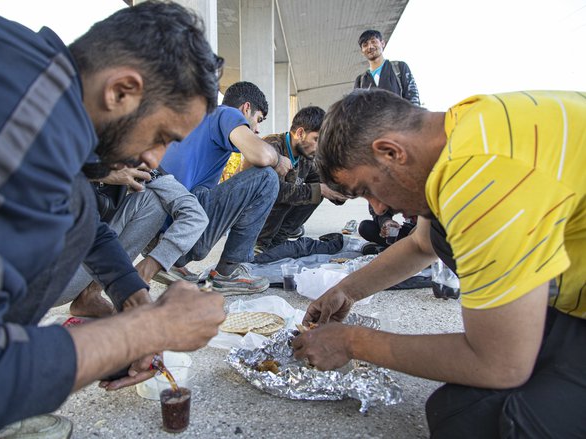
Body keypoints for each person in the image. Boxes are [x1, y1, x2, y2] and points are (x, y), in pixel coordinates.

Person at [0, 2, 226, 438]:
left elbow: (81, 224)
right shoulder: (26, 130)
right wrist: (152, 327)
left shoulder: (5, 56)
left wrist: (132, 298)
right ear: (122, 89)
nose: (154, 158)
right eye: (161, 137)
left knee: (78, 209)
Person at [293, 89, 585, 438]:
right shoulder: (461, 130)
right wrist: (345, 290)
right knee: (457, 410)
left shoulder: (483, 178)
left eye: (367, 189)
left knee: (503, 424)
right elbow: (422, 243)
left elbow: (501, 365)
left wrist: (351, 342)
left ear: (391, 152)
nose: (378, 208)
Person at [156, 81, 293, 294]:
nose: (256, 129)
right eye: (258, 120)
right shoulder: (226, 114)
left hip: (159, 230)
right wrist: (278, 159)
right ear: (246, 108)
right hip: (183, 233)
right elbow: (261, 155)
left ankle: (171, 264)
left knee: (202, 190)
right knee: (267, 178)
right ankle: (227, 274)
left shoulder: (194, 118)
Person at [54, 165, 209, 318]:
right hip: (42, 275)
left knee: (151, 200)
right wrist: (99, 173)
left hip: (83, 262)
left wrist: (144, 273)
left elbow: (196, 216)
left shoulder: (141, 162)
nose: (153, 156)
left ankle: (90, 295)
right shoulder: (69, 145)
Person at [256, 106, 347, 251]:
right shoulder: (271, 147)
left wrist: (342, 190)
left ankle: (278, 240)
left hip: (273, 226)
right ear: (300, 133)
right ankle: (260, 244)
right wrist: (320, 190)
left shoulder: (305, 156)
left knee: (317, 189)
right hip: (252, 223)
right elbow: (273, 191)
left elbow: (322, 181)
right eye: (317, 139)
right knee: (310, 191)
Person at [353, 29, 420, 105]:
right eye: (365, 45)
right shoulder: (360, 81)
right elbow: (357, 110)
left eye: (373, 41)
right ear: (362, 51)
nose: (370, 47)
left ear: (383, 43)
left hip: (401, 116)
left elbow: (413, 99)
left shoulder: (399, 68)